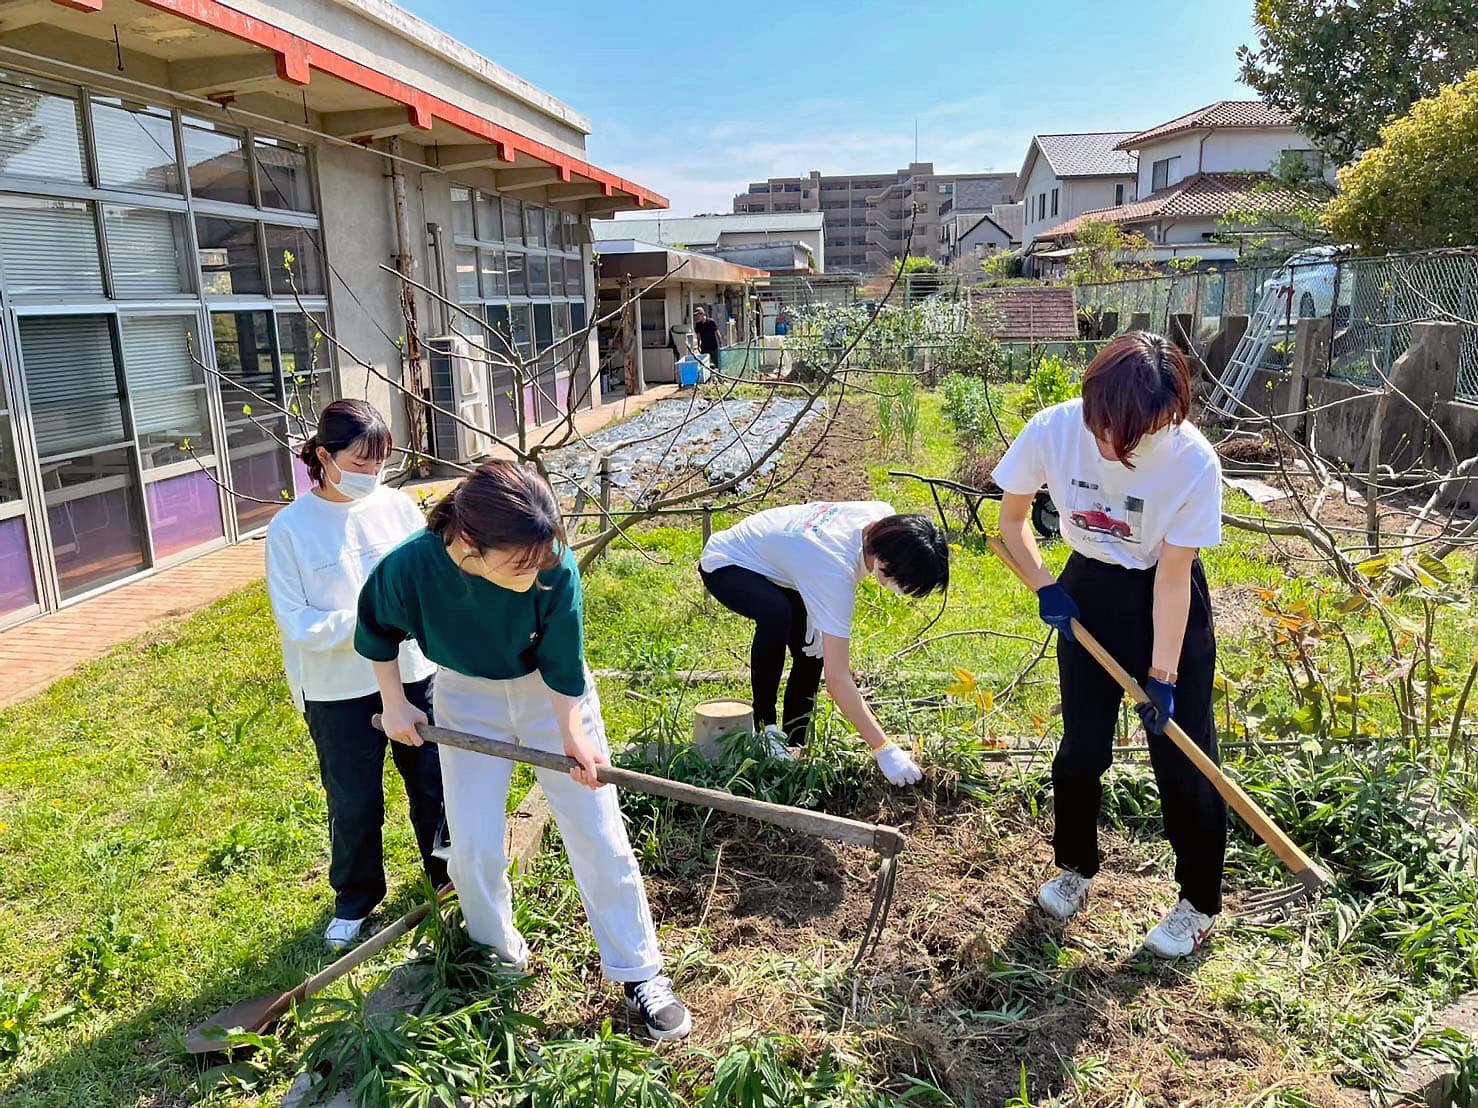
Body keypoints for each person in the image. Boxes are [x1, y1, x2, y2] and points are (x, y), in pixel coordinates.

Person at [356, 461, 690, 1041]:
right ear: (468, 542)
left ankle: (639, 972)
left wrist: (573, 736)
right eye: (519, 564)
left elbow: (562, 662)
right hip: (464, 692)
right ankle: (497, 958)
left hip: (549, 692)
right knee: (474, 845)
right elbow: (375, 629)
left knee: (596, 829)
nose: (536, 572)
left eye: (541, 559)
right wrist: (396, 702)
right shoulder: (411, 567)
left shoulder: (549, 561)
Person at [992, 332, 1226, 958]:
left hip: (1163, 603)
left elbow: (1174, 578)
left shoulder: (1192, 461)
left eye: (1129, 435)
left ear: (1165, 415)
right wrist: (1046, 585)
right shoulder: (1055, 428)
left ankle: (1199, 903)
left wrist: (1164, 676)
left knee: (1183, 759)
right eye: (1102, 429)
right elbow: (1011, 521)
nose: (1108, 446)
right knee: (1080, 750)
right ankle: (1076, 867)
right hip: (1086, 589)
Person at [265, 399, 448, 951]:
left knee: (432, 781)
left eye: (380, 463)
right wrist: (374, 622)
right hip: (336, 686)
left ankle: (446, 875)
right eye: (361, 463)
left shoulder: (396, 508)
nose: (372, 475)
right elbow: (298, 622)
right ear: (325, 456)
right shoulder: (291, 528)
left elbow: (427, 577)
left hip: (414, 671)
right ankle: (355, 898)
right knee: (353, 797)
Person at [699, 503, 949, 783]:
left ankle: (795, 745)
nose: (902, 591)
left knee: (812, 651)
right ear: (888, 565)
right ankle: (766, 729)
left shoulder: (883, 517)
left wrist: (820, 616)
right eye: (906, 585)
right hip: (730, 561)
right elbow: (837, 679)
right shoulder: (833, 571)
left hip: (790, 564)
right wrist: (884, 749)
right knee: (777, 614)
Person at [693, 306, 721, 371]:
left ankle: (718, 377)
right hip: (704, 347)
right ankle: (707, 378)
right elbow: (698, 336)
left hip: (713, 346)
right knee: (704, 363)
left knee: (716, 363)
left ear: (702, 314)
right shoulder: (698, 325)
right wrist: (698, 345)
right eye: (696, 315)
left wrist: (720, 342)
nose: (697, 317)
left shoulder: (711, 322)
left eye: (698, 315)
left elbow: (717, 332)